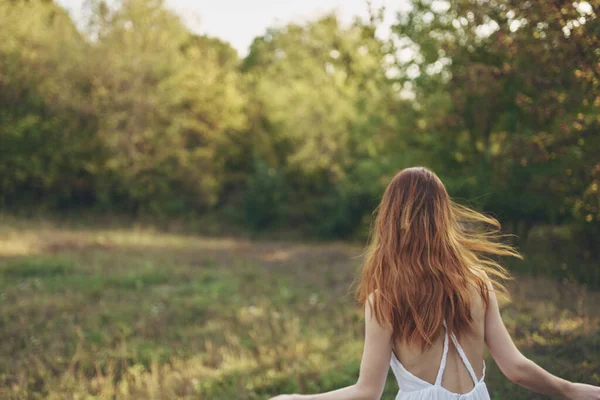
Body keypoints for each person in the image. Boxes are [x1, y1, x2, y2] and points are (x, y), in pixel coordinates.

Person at [270, 167, 600, 400]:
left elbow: (367, 392)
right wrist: (571, 390)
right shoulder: (477, 284)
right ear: (443, 215)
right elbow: (515, 368)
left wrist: (296, 398)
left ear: (389, 219)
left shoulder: (385, 298)